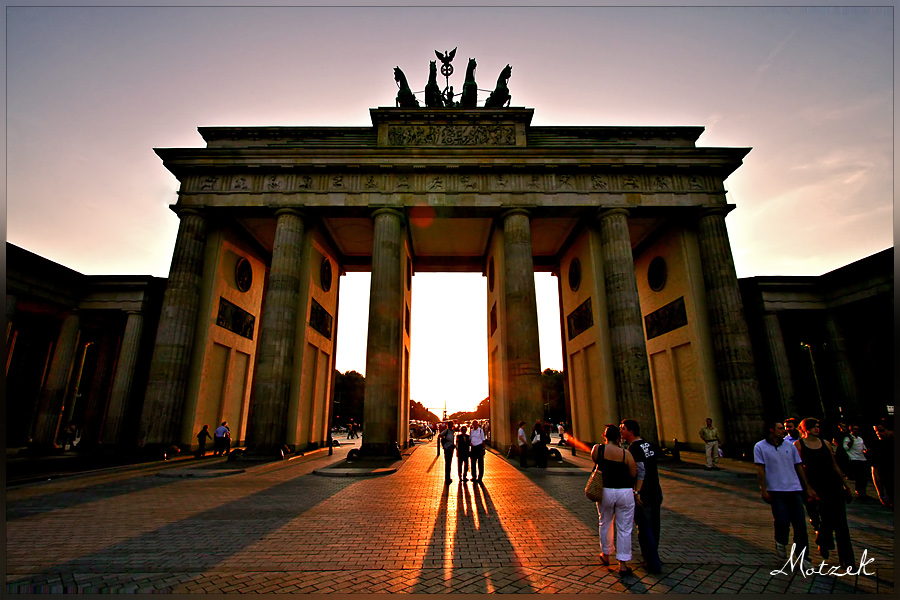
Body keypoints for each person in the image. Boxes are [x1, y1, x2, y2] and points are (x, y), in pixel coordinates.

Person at [754, 420, 818, 565]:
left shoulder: (790, 446)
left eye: (783, 428)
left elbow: (799, 467)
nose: (783, 430)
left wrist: (807, 488)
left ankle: (803, 556)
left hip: (794, 489)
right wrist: (763, 489)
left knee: (800, 524)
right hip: (776, 490)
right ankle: (781, 541)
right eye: (780, 428)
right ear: (771, 430)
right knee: (782, 520)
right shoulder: (760, 446)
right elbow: (760, 469)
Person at [794, 418, 855, 566]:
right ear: (805, 429)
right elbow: (799, 467)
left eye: (818, 426)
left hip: (833, 483)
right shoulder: (799, 445)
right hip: (816, 484)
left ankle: (847, 560)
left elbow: (834, 466)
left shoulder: (825, 443)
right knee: (826, 518)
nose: (817, 429)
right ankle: (822, 539)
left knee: (841, 522)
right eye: (814, 427)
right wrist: (807, 488)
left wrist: (845, 485)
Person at [591, 424, 638, 576]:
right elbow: (633, 473)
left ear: (605, 436)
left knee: (605, 522)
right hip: (624, 492)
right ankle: (623, 564)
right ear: (618, 437)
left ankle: (605, 555)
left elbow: (595, 462)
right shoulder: (626, 454)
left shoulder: (598, 449)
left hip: (606, 491)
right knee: (625, 528)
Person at [620, 419, 663, 574]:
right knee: (654, 526)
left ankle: (652, 562)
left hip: (643, 493)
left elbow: (641, 470)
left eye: (623, 429)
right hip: (656, 490)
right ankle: (653, 556)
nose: (621, 431)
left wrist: (636, 491)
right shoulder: (648, 445)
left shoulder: (634, 448)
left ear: (631, 431)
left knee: (644, 527)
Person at [868, 419, 894, 509]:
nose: (878, 433)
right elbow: (876, 472)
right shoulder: (878, 447)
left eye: (881, 430)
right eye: (876, 431)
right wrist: (881, 494)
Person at [842, 424, 869, 500]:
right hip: (854, 458)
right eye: (855, 429)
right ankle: (859, 491)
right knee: (859, 476)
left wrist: (866, 450)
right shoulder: (848, 438)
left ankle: (862, 491)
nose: (856, 431)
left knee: (864, 476)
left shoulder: (860, 438)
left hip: (862, 458)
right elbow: (846, 448)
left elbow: (863, 447)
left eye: (857, 429)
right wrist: (851, 442)